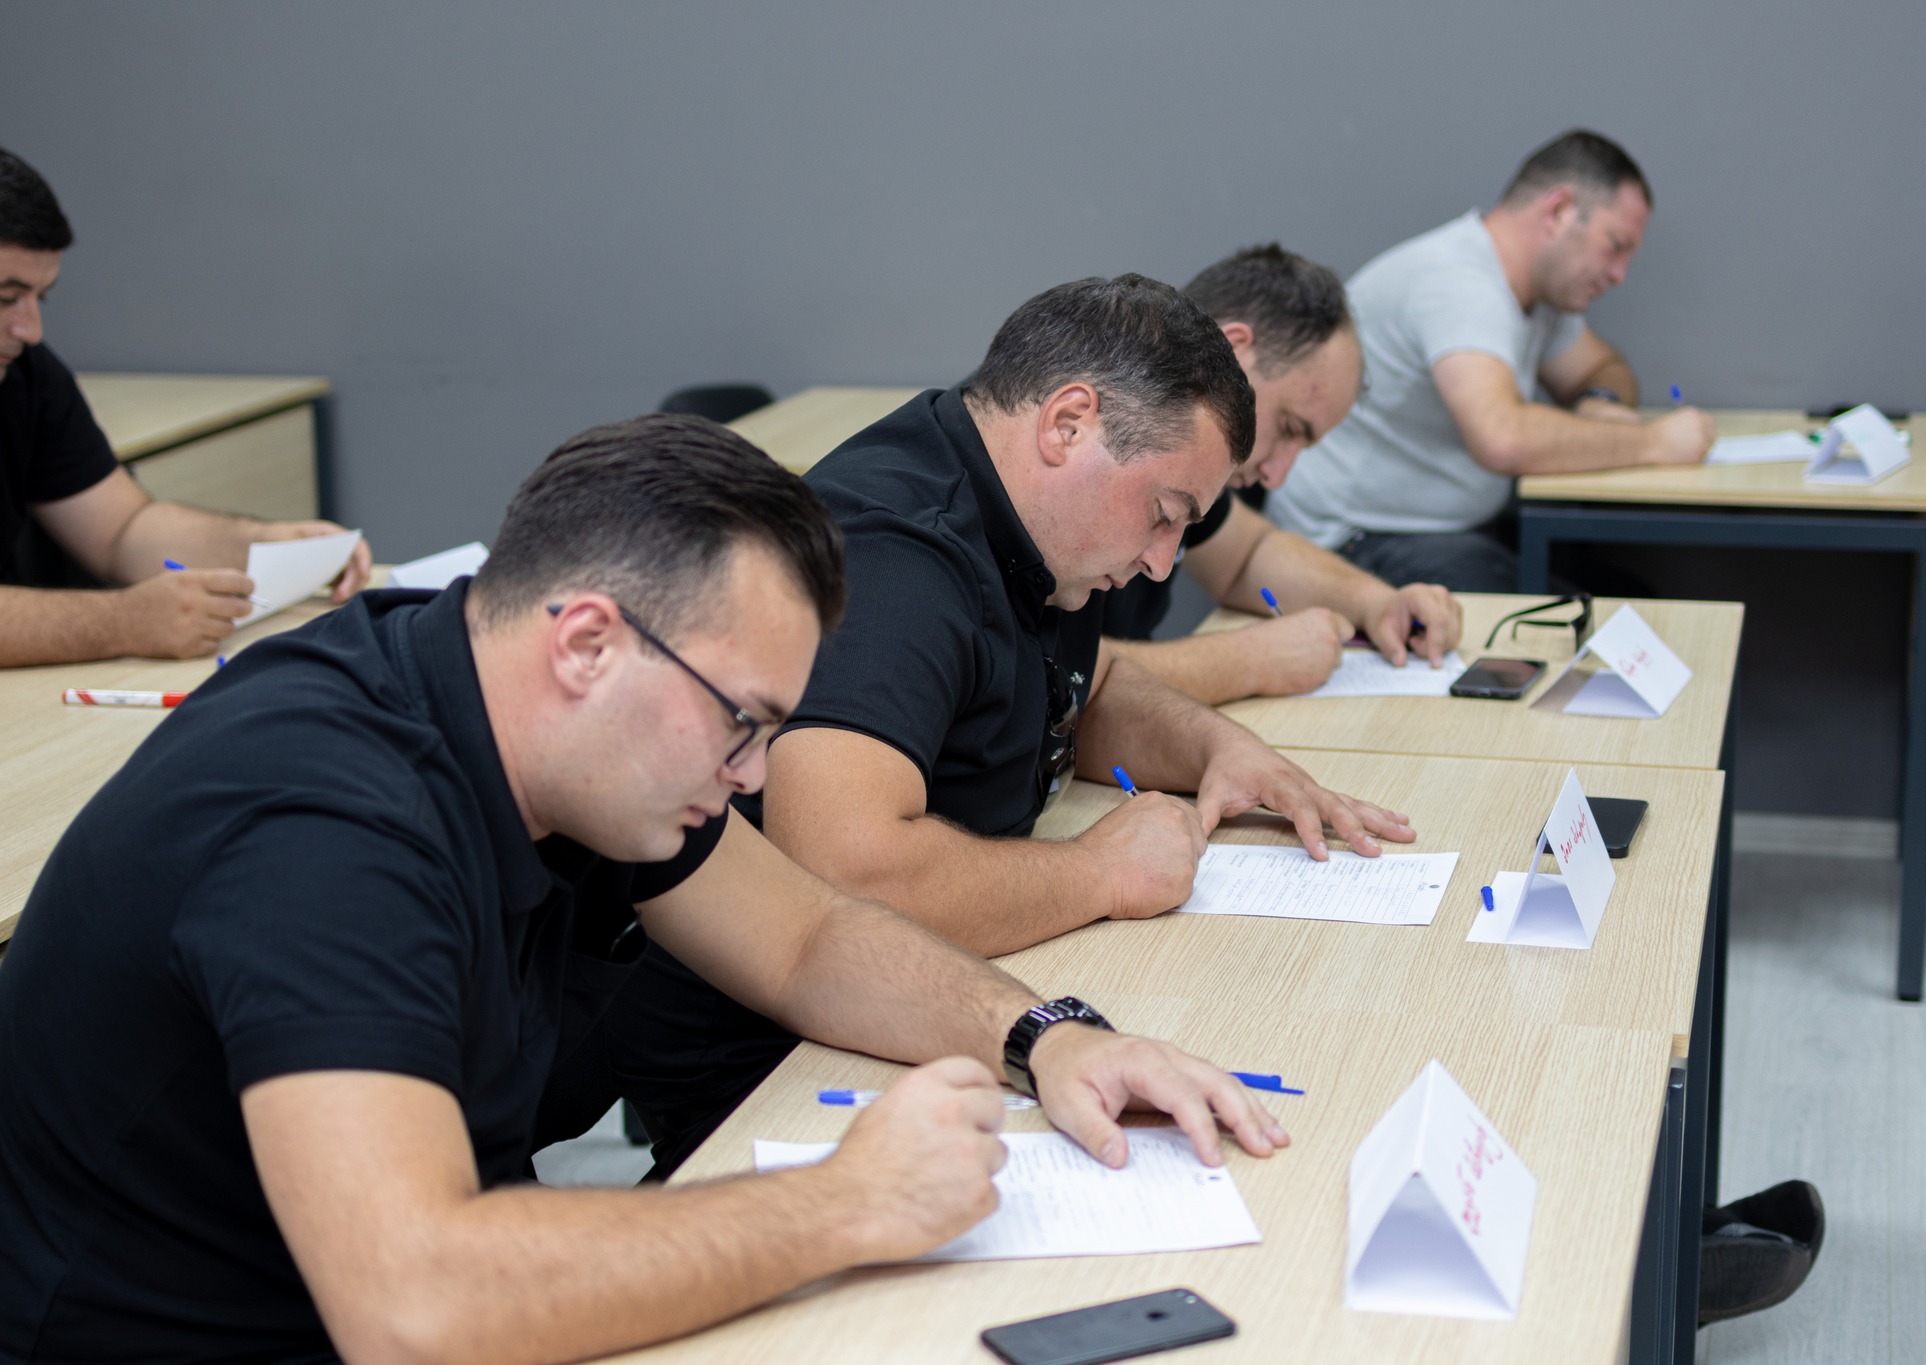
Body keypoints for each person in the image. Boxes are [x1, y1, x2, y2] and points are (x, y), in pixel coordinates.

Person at [0, 415, 1285, 1364]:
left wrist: (1046, 1037)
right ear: (585, 644)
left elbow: (806, 938)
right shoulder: (323, 833)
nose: (754, 775)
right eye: (741, 723)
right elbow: (414, 1304)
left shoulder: (550, 724)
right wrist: (847, 1202)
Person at [558, 275, 1416, 1179]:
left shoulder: (1037, 523)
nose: (1166, 562)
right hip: (774, 1065)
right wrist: (1100, 872)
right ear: (1068, 424)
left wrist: (1220, 750)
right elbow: (846, 868)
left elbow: (1084, 685)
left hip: (917, 993)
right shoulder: (900, 556)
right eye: (1164, 516)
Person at [1265, 130, 1717, 592]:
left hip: (1444, 528)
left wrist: (1598, 400)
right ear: (1559, 212)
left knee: (1631, 603)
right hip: (1352, 540)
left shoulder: (1538, 295)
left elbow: (1601, 368)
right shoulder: (1460, 284)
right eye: (1615, 246)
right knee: (1595, 627)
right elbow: (1501, 438)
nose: (1618, 275)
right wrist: (1654, 442)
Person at [0, 145, 370, 666]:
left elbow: (122, 532)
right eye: (5, 298)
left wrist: (270, 545)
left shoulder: (25, 374)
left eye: (40, 298)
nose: (30, 330)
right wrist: (120, 623)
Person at [1101, 244, 1461, 704]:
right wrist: (1247, 662)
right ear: (1232, 353)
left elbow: (1246, 555)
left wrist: (1377, 603)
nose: (1276, 476)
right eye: (1288, 427)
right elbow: (1055, 677)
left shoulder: (1187, 461)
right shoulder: (1093, 448)